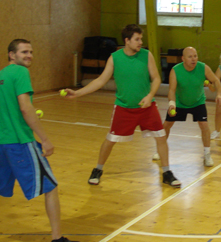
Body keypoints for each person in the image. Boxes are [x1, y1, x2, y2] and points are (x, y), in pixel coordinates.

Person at [0, 39, 81, 242]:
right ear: (11, 54)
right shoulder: (20, 72)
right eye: (24, 52)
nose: (29, 56)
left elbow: (7, 109)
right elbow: (25, 108)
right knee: (51, 187)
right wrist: (44, 139)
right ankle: (57, 241)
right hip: (19, 143)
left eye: (31, 52)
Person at [61, 24, 181, 188]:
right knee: (110, 140)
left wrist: (149, 95)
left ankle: (167, 173)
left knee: (161, 137)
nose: (141, 42)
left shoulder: (146, 55)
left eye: (141, 39)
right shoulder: (114, 58)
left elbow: (156, 78)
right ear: (127, 40)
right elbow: (100, 81)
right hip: (124, 108)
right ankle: (98, 169)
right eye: (137, 39)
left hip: (147, 108)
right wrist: (77, 93)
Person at [163, 47, 221, 167]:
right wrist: (172, 105)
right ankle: (160, 150)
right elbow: (171, 90)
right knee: (166, 125)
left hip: (198, 102)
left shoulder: (203, 67)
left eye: (195, 56)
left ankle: (207, 154)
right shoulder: (175, 70)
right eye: (190, 57)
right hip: (180, 103)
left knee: (204, 125)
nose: (193, 59)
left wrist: (219, 94)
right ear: (183, 58)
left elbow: (216, 81)